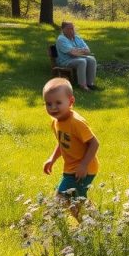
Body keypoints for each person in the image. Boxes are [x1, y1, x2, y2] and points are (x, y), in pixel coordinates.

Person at [42, 77, 99, 206]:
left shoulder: (76, 122)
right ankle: (94, 221)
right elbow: (62, 143)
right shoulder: (56, 122)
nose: (53, 108)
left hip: (84, 168)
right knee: (75, 202)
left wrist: (84, 165)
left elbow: (94, 143)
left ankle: (90, 221)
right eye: (48, 104)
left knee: (61, 197)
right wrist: (52, 158)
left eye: (58, 103)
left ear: (71, 101)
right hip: (71, 168)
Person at [55, 21, 98, 91]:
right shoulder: (61, 39)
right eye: (69, 29)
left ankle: (90, 84)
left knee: (91, 59)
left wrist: (77, 50)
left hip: (76, 58)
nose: (71, 30)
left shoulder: (77, 38)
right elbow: (72, 53)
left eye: (72, 28)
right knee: (82, 61)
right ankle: (83, 85)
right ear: (63, 30)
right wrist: (81, 50)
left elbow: (88, 51)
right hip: (65, 61)